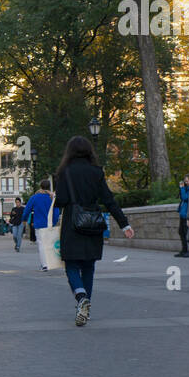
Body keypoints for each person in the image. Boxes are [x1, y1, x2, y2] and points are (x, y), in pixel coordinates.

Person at [53, 135, 134, 326]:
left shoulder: (64, 172)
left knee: (71, 265)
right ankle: (86, 308)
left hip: (72, 222)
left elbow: (62, 201)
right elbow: (108, 199)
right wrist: (125, 224)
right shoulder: (96, 172)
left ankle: (81, 298)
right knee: (88, 266)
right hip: (92, 223)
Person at [23, 179, 61, 271]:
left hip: (39, 224)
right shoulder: (52, 197)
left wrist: (24, 219)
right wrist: (54, 221)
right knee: (51, 244)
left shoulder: (34, 197)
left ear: (41, 186)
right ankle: (53, 263)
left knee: (41, 245)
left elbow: (27, 210)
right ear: (49, 187)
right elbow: (57, 211)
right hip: (50, 224)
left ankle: (45, 265)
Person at [176, 174, 189, 257]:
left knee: (188, 233)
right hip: (183, 214)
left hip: (188, 214)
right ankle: (184, 250)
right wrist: (181, 188)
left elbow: (184, 198)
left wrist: (182, 188)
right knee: (181, 232)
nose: (186, 182)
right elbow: (181, 197)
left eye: (187, 181)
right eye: (185, 181)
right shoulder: (186, 188)